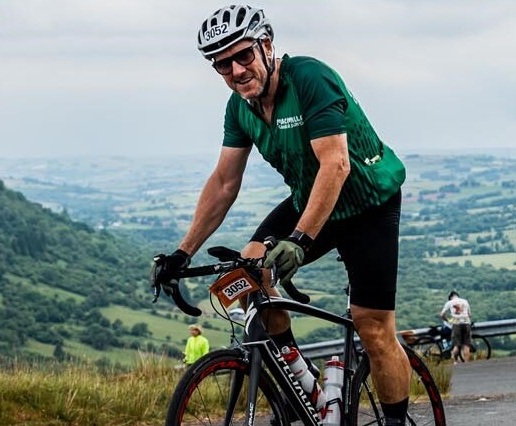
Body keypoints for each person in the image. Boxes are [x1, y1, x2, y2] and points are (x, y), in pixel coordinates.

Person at [151, 4, 411, 424]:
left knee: (373, 326)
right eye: (222, 65)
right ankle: (303, 386)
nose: (236, 70)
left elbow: (336, 165)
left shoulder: (309, 78)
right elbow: (223, 184)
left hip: (367, 204)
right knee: (249, 271)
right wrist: (182, 253)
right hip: (312, 197)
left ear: (267, 46)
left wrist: (300, 240)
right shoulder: (240, 109)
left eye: (243, 56)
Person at [440, 291, 474, 362]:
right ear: (457, 295)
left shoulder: (449, 302)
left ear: (450, 298)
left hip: (456, 324)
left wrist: (448, 320)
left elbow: (442, 315)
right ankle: (466, 363)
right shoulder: (465, 301)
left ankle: (455, 361)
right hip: (466, 323)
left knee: (456, 345)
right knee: (466, 345)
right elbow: (469, 314)